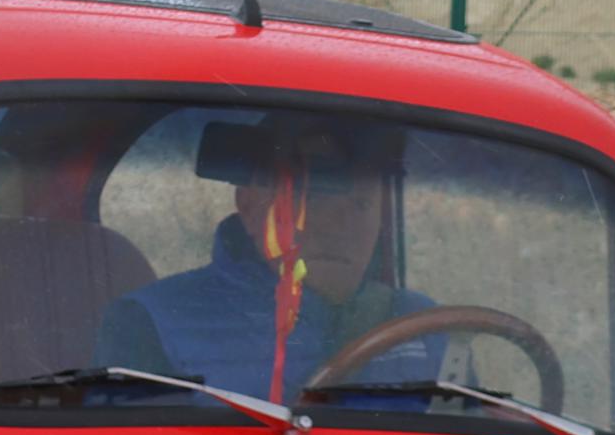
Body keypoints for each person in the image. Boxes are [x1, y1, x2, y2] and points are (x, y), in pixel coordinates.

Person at [97, 113, 439, 403]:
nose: (341, 226)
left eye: (361, 205)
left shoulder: (428, 328)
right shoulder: (152, 323)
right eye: (311, 199)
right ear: (248, 206)